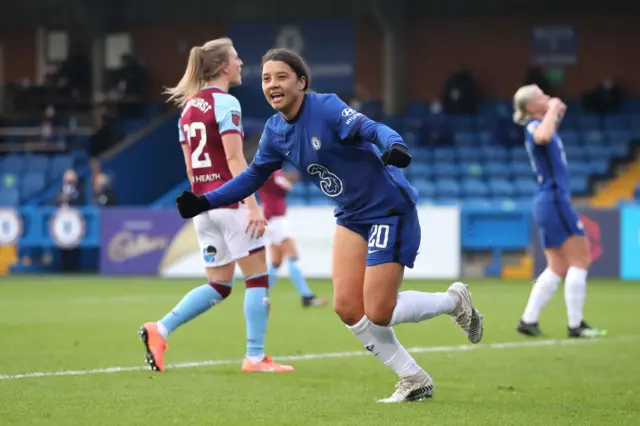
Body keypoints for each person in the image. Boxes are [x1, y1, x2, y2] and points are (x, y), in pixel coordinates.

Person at [174, 48, 484, 403]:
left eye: (281, 77)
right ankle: (413, 377)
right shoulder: (275, 131)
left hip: (388, 211)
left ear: (302, 83)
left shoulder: (325, 108)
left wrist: (393, 144)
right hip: (350, 217)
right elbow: (252, 176)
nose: (271, 84)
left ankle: (453, 301)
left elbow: (370, 128)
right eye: (265, 79)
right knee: (348, 307)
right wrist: (205, 201)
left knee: (379, 312)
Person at [139, 38, 293, 374]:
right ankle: (254, 358)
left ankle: (160, 329)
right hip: (230, 201)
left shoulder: (188, 108)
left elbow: (191, 169)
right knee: (257, 279)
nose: (240, 63)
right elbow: (236, 157)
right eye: (236, 58)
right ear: (224, 66)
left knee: (220, 284)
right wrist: (251, 205)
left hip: (202, 205)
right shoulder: (226, 104)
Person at [512, 84, 606, 339]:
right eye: (542, 96)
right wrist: (553, 108)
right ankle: (576, 325)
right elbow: (542, 136)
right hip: (554, 200)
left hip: (547, 201)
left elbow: (549, 130)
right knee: (580, 258)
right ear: (532, 106)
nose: (547, 97)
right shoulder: (534, 126)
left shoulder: (538, 124)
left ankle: (528, 320)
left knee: (557, 264)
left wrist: (555, 111)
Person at [258, 169, 328, 307]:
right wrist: (290, 178)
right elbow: (285, 187)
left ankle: (261, 296)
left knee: (276, 262)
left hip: (269, 218)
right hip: (277, 219)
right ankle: (306, 296)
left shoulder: (264, 169)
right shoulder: (273, 170)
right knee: (293, 257)